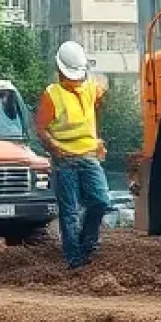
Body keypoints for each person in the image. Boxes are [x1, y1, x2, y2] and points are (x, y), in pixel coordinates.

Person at [34, 41, 111, 270]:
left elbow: (103, 83)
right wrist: (53, 147)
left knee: (100, 202)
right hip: (64, 159)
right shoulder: (52, 95)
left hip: (88, 155)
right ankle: (74, 260)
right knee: (69, 212)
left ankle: (87, 245)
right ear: (60, 70)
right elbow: (41, 128)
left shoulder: (90, 87)